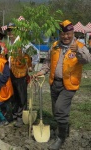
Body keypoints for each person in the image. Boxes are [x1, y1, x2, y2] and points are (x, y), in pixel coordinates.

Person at [34, 20, 91, 150]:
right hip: (55, 83)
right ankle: (62, 126)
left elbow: (87, 60)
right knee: (56, 111)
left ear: (73, 33)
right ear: (60, 35)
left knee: (60, 108)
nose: (66, 37)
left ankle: (61, 137)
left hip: (69, 84)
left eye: (68, 34)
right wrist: (42, 71)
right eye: (63, 34)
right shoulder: (55, 46)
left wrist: (78, 51)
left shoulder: (79, 46)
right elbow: (48, 62)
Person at [6, 23, 32, 127]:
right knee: (14, 95)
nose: (10, 32)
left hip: (21, 73)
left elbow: (33, 53)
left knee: (21, 95)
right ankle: (15, 113)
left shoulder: (23, 42)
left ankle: (21, 116)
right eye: (9, 30)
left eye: (12, 30)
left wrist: (29, 65)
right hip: (10, 72)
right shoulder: (9, 42)